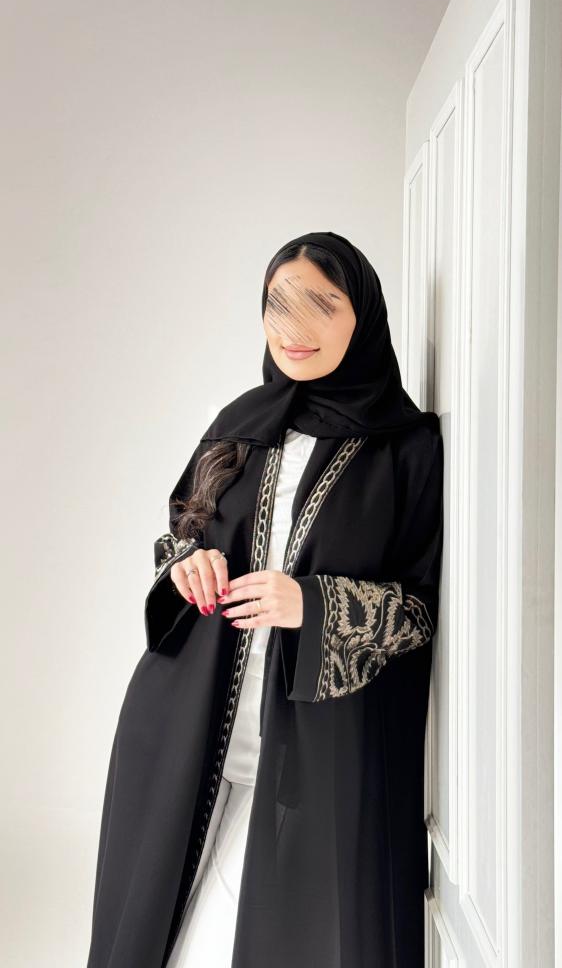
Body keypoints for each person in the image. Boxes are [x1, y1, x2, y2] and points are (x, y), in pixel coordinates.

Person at [86, 230, 444, 968]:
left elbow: (418, 612)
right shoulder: (240, 424)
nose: (293, 328)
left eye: (321, 305)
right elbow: (180, 533)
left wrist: (311, 605)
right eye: (278, 305)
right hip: (189, 727)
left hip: (312, 754)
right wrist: (186, 565)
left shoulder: (407, 450)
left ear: (364, 317)